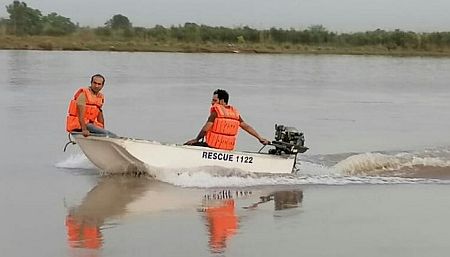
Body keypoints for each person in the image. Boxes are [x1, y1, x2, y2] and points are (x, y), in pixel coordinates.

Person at [185, 89, 269, 150]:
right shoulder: (234, 114)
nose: (212, 103)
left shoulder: (215, 112)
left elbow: (205, 129)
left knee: (187, 146)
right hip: (227, 149)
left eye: (214, 100)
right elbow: (246, 127)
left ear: (221, 101)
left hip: (211, 146)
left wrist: (196, 139)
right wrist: (260, 138)